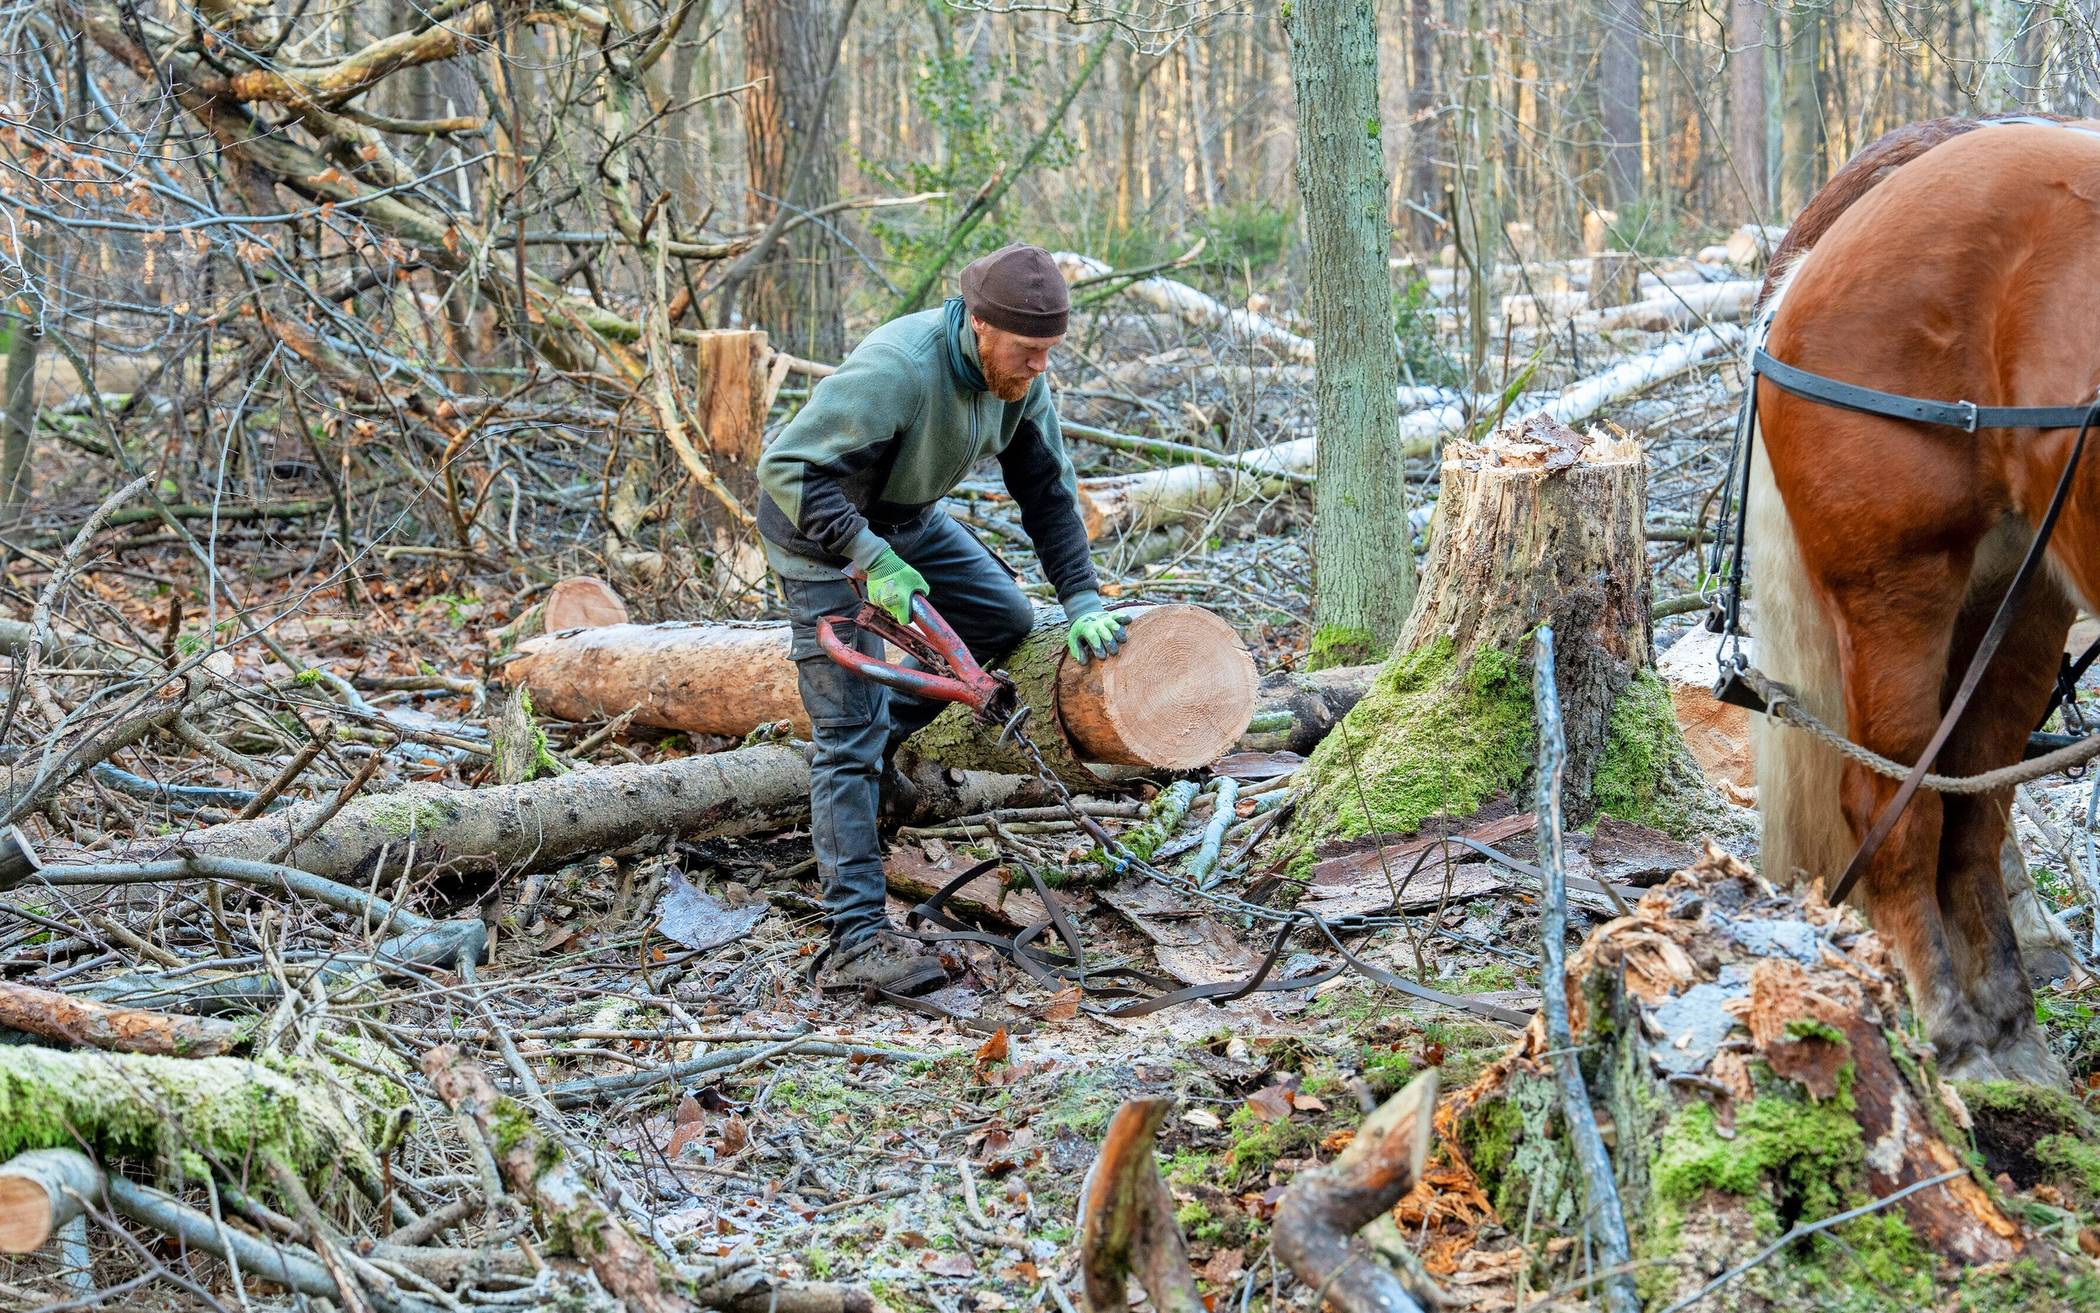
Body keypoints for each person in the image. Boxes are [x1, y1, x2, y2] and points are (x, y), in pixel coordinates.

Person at [756, 243, 1127, 995]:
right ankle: (856, 937)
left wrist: (1082, 597)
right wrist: (866, 556)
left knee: (1002, 619)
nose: (1040, 367)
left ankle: (877, 763)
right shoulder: (900, 368)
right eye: (1029, 351)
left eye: (1052, 352)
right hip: (819, 532)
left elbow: (1048, 491)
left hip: (905, 519)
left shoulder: (1019, 381)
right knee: (844, 728)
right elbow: (787, 470)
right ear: (980, 326)